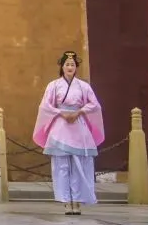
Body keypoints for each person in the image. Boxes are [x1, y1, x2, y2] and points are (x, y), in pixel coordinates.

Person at [32, 50, 105, 215]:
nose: (70, 67)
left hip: (78, 124)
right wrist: (60, 112)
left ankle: (77, 200)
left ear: (76, 67)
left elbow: (94, 104)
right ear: (62, 67)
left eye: (72, 64)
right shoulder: (53, 85)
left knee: (79, 165)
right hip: (61, 125)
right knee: (62, 165)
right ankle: (66, 201)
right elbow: (45, 105)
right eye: (67, 64)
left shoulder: (83, 86)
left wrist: (80, 111)